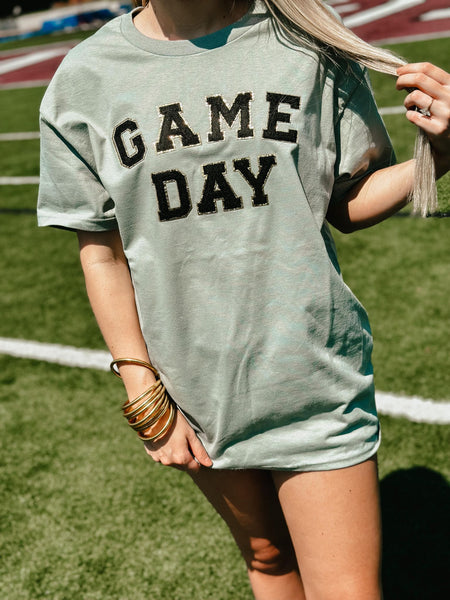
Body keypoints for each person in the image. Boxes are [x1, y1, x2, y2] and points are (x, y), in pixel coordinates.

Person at [37, 1, 450, 598]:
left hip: (310, 374)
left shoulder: (308, 40)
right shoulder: (84, 78)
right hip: (192, 390)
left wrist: (440, 155)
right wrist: (143, 390)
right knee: (267, 557)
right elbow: (101, 254)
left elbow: (347, 201)